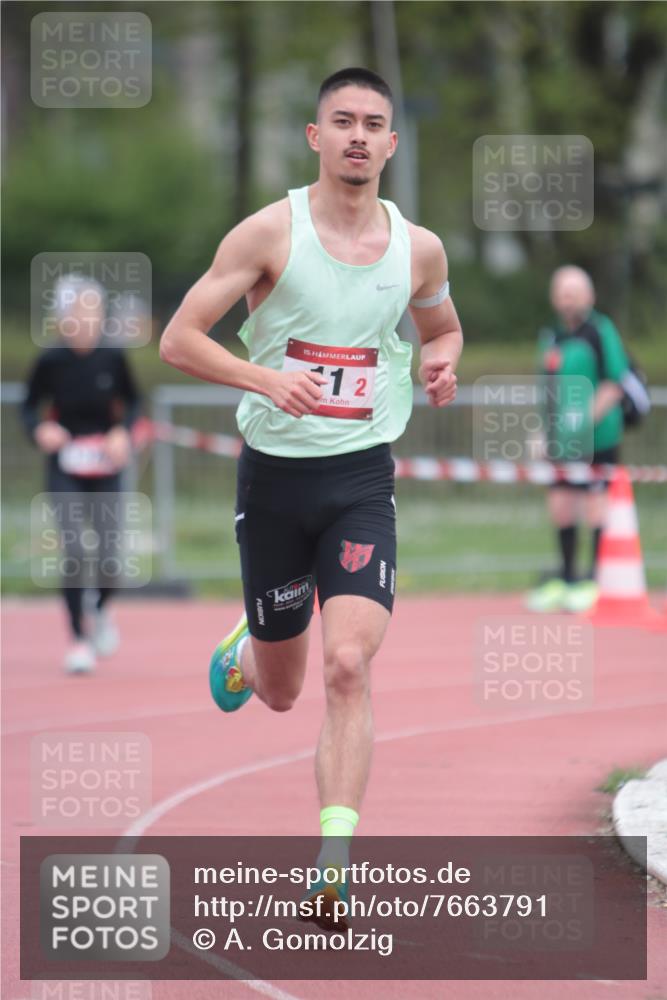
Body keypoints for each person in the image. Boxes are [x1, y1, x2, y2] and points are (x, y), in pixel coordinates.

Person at [160, 67, 462, 923]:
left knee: (346, 665)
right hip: (276, 480)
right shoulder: (268, 234)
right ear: (315, 137)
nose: (359, 135)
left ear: (392, 144)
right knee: (284, 685)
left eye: (374, 123)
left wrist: (443, 359)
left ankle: (333, 859)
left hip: (363, 474)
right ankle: (249, 647)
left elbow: (440, 325)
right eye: (343, 121)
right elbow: (179, 338)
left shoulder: (419, 248)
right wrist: (265, 376)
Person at [22, 275, 142, 673]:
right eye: (77, 312)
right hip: (66, 465)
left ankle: (103, 609)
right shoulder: (51, 360)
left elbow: (136, 401)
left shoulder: (113, 355)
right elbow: (28, 407)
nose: (85, 319)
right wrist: (41, 429)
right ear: (63, 317)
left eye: (93, 311)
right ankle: (77, 638)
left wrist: (123, 433)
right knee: (74, 549)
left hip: (106, 464)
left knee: (110, 556)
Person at [526, 265, 631, 613]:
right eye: (562, 289)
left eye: (575, 289)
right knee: (561, 503)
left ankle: (593, 578)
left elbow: (613, 383)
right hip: (560, 441)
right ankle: (566, 577)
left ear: (590, 295)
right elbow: (549, 391)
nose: (568, 296)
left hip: (598, 437)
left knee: (594, 503)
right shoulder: (552, 337)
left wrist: (584, 423)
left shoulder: (600, 331)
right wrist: (543, 431)